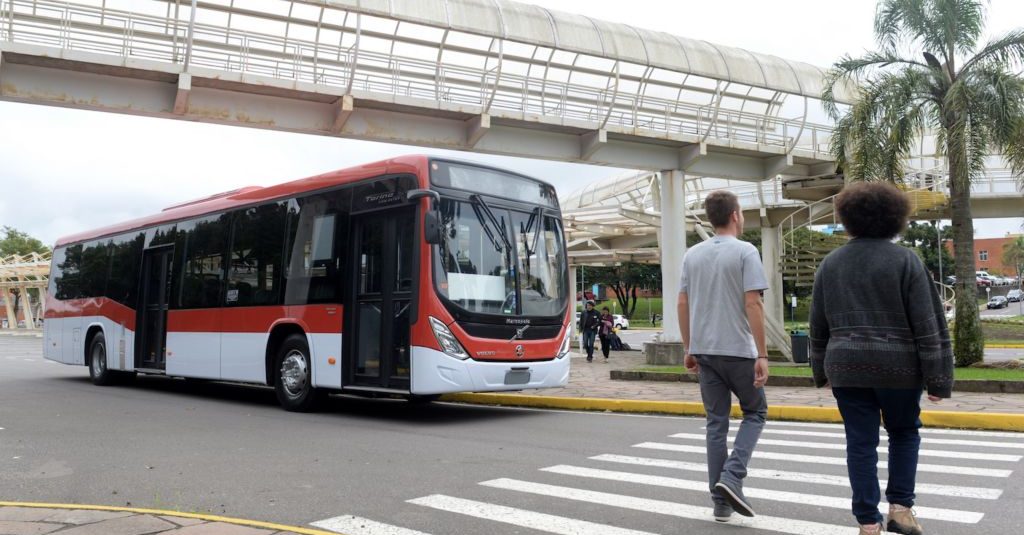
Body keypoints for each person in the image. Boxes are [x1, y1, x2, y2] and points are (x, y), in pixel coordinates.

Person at [810, 182, 953, 535]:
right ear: (894, 217)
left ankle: (867, 522)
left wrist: (820, 372)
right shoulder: (906, 261)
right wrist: (938, 379)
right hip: (899, 369)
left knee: (860, 442)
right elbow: (928, 324)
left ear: (848, 218)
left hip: (846, 368)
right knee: (904, 433)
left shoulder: (830, 264)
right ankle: (901, 510)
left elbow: (817, 325)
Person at [678, 190, 769, 523]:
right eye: (742, 213)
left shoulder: (692, 254)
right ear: (735, 215)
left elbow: (682, 303)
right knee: (756, 412)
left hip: (705, 352)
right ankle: (732, 476)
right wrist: (762, 354)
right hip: (738, 351)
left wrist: (689, 348)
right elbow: (753, 303)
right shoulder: (746, 251)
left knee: (716, 424)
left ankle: (721, 503)